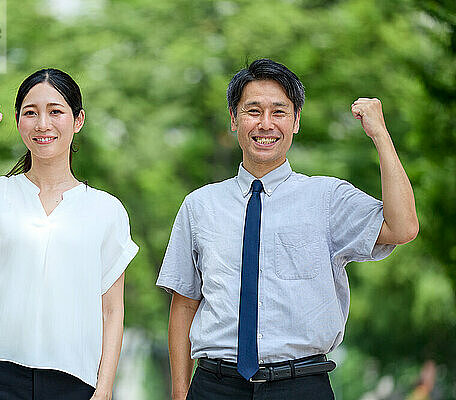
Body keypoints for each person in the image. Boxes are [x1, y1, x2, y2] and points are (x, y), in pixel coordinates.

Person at [156, 59, 418, 400]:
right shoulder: (199, 205)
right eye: (253, 111)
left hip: (301, 384)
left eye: (279, 112)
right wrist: (180, 393)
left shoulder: (327, 198)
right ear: (234, 119)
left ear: (296, 122)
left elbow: (403, 227)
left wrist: (380, 135)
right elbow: (185, 303)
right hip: (214, 386)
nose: (266, 124)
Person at [0, 68, 138, 400]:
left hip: (74, 380)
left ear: (77, 120)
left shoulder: (106, 210)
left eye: (55, 112)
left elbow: (111, 310)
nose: (43, 124)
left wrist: (105, 387)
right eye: (30, 112)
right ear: (17, 120)